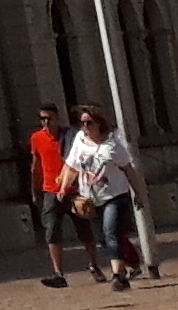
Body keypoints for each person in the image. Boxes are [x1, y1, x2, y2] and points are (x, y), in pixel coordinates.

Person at [62, 106, 146, 292]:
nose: (85, 126)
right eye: (82, 123)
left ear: (99, 123)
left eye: (89, 122)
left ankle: (118, 275)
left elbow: (128, 170)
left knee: (111, 232)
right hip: (91, 198)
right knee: (102, 238)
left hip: (114, 195)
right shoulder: (79, 141)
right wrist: (64, 186)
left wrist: (138, 193)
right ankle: (126, 267)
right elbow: (72, 166)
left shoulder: (112, 146)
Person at [25, 103, 75, 287]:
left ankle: (94, 265)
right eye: (42, 119)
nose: (46, 122)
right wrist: (35, 190)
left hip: (72, 189)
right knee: (52, 230)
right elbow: (35, 166)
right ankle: (58, 272)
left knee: (85, 228)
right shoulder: (37, 138)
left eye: (49, 118)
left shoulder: (69, 136)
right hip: (50, 191)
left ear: (57, 118)